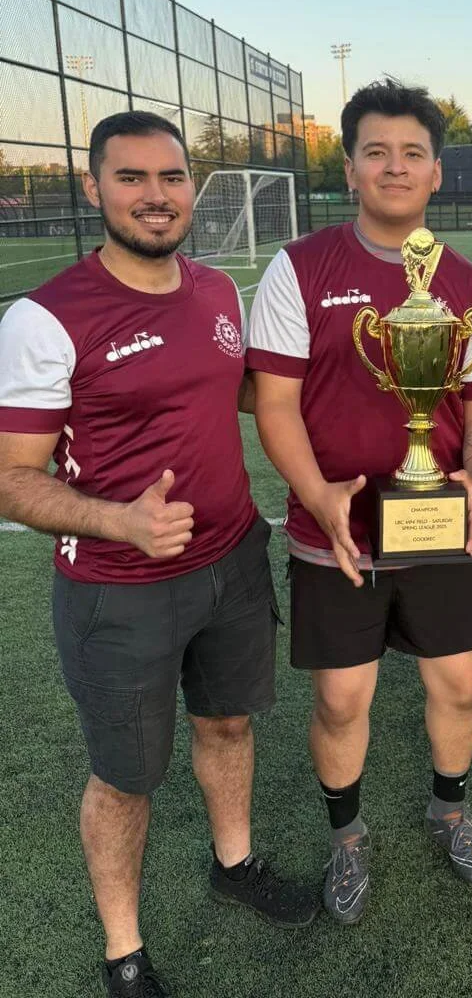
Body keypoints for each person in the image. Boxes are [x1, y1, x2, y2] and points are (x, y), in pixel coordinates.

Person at [0, 112, 316, 998]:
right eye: (131, 177)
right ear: (94, 188)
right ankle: (125, 951)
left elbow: (255, 393)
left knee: (227, 724)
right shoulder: (46, 317)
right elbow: (10, 478)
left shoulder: (217, 290)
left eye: (171, 178)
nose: (155, 195)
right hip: (117, 588)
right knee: (125, 777)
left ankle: (234, 862)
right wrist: (119, 522)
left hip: (231, 563)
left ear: (191, 189)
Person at [248, 79, 472, 926]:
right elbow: (277, 403)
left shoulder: (469, 285)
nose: (395, 167)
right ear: (352, 169)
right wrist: (319, 495)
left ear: (437, 173)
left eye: (412, 154)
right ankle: (347, 839)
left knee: (461, 685)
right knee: (340, 699)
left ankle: (451, 810)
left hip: (435, 532)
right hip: (338, 537)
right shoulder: (299, 267)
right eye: (376, 152)